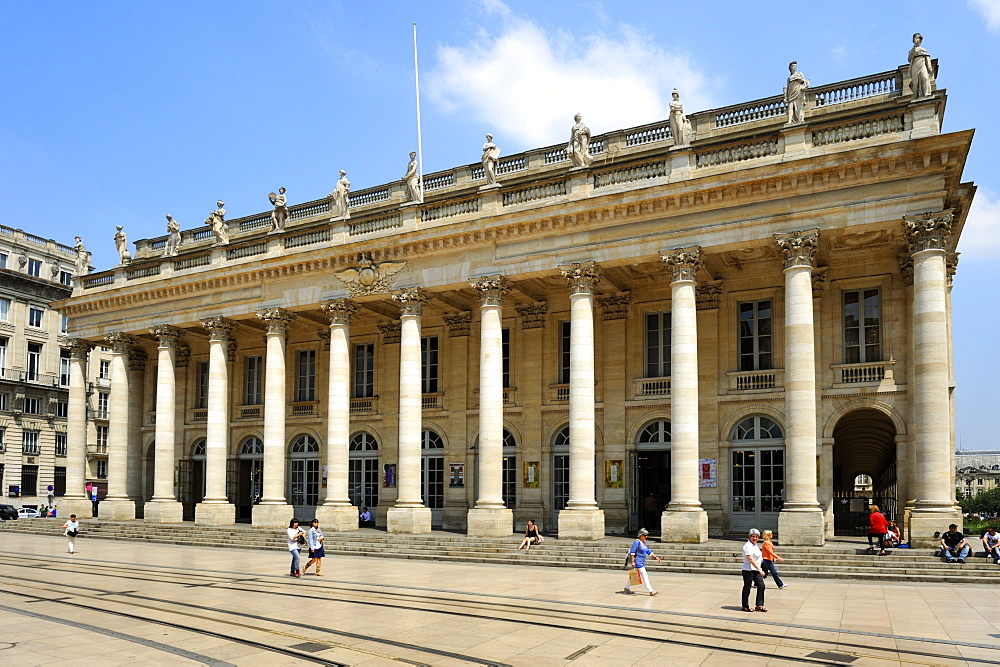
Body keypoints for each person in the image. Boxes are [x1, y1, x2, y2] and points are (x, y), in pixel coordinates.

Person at [623, 528, 661, 596]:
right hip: (638, 562)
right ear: (641, 535)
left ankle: (626, 588)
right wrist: (632, 562)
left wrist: (656, 557)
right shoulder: (636, 542)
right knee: (645, 576)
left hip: (642, 562)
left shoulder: (644, 543)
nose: (646, 537)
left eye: (647, 535)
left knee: (634, 575)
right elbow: (632, 553)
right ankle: (651, 590)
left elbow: (648, 551)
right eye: (645, 535)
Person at [741, 528, 767, 612]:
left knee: (761, 585)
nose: (754, 538)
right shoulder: (747, 546)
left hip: (756, 570)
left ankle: (759, 605)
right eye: (752, 536)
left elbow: (758, 557)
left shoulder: (755, 545)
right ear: (749, 537)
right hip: (748, 569)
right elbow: (751, 559)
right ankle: (745, 606)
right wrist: (760, 569)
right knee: (747, 587)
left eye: (756, 537)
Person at [908, 33, 934, 99]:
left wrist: (929, 67)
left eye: (917, 38)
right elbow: (909, 59)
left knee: (925, 78)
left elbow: (927, 57)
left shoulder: (923, 50)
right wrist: (913, 52)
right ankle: (916, 96)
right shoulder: (911, 50)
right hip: (915, 65)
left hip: (922, 64)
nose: (915, 39)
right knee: (915, 82)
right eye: (914, 38)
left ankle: (926, 94)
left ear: (920, 40)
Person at [784, 61, 809, 125]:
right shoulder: (789, 78)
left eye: (795, 66)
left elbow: (804, 82)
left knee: (799, 107)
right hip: (791, 93)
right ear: (790, 68)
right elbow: (788, 87)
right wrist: (786, 97)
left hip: (798, 91)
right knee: (790, 106)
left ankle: (800, 119)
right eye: (793, 66)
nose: (794, 67)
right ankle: (789, 121)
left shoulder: (800, 74)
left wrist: (804, 87)